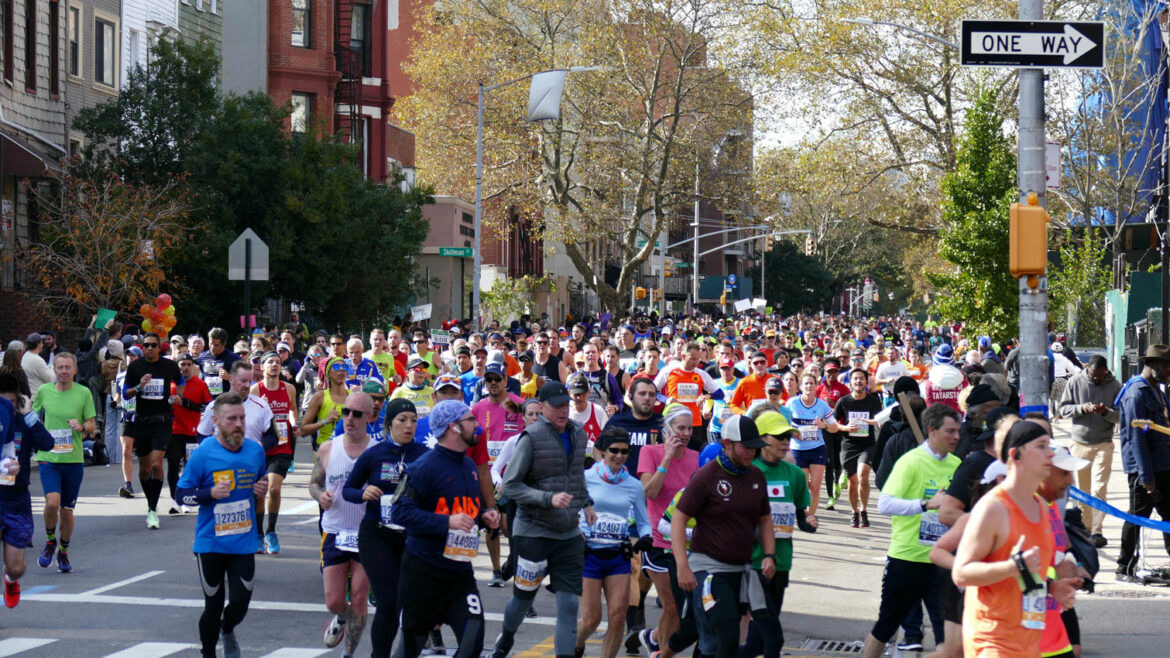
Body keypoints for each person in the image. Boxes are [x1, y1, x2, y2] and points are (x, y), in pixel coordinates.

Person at [952, 420, 1078, 657]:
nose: (1050, 453)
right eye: (1041, 446)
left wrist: (1052, 588)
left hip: (1030, 643)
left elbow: (1026, 574)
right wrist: (1011, 566)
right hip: (993, 642)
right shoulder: (992, 508)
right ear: (1015, 455)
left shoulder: (1042, 507)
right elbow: (961, 573)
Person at [492, 381, 597, 658]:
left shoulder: (578, 434)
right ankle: (506, 639)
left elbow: (576, 477)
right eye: (557, 405)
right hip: (533, 533)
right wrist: (546, 498)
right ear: (543, 407)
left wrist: (586, 503)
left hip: (568, 535)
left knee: (569, 606)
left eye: (566, 404)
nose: (564, 410)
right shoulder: (531, 437)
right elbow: (510, 486)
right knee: (522, 600)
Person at [392, 399, 501, 658]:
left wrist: (485, 516)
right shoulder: (423, 468)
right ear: (453, 427)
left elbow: (465, 511)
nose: (477, 426)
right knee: (411, 646)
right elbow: (399, 511)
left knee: (473, 643)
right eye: (470, 420)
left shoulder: (467, 465)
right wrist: (447, 522)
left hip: (460, 575)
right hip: (423, 572)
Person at [861, 404, 962, 658]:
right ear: (932, 431)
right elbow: (884, 504)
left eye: (957, 431)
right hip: (906, 559)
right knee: (885, 627)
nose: (956, 437)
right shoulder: (911, 462)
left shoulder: (956, 464)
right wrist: (925, 504)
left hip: (940, 562)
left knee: (948, 635)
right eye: (950, 431)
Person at [175, 392, 269, 658]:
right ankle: (208, 653)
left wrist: (260, 489)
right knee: (213, 605)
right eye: (231, 419)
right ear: (215, 421)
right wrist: (209, 494)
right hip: (211, 543)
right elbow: (181, 495)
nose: (238, 424)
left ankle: (228, 629)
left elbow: (257, 483)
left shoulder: (255, 450)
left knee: (240, 603)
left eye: (241, 418)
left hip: (244, 541)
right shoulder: (203, 454)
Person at [672, 415, 774, 658]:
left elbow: (765, 519)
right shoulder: (707, 476)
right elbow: (678, 519)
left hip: (741, 569)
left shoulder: (756, 477)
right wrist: (682, 565)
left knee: (716, 641)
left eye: (755, 447)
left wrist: (769, 555)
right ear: (727, 444)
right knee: (726, 631)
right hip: (708, 569)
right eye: (746, 446)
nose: (752, 452)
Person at [342, 398, 428, 658]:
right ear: (389, 423)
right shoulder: (374, 454)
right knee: (388, 601)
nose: (409, 426)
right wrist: (364, 492)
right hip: (376, 534)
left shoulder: (424, 456)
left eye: (413, 420)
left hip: (411, 537)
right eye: (402, 420)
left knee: (410, 604)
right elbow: (348, 490)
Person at [739, 409, 817, 658]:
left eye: (788, 436)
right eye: (779, 436)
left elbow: (801, 516)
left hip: (781, 562)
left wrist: (809, 522)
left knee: (756, 644)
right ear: (762, 439)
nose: (785, 441)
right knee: (774, 638)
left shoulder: (793, 474)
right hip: (752, 564)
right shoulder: (748, 473)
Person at [575, 428, 653, 658]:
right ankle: (577, 644)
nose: (619, 456)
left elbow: (643, 521)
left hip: (618, 555)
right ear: (602, 451)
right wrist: (574, 531)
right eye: (614, 451)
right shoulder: (586, 478)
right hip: (588, 555)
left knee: (618, 617)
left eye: (624, 452)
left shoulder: (633, 485)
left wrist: (646, 536)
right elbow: (569, 510)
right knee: (591, 620)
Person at [629, 403, 699, 655]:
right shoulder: (650, 452)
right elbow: (650, 492)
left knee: (680, 610)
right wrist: (667, 458)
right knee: (671, 606)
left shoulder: (695, 458)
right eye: (680, 427)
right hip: (657, 541)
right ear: (667, 428)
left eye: (689, 428)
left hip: (686, 541)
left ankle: (654, 637)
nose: (685, 433)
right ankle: (660, 651)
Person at [311, 391, 374, 658]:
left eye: (357, 414)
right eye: (346, 412)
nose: (349, 418)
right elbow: (313, 483)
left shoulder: (377, 453)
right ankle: (342, 617)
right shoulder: (328, 448)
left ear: (369, 418)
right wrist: (320, 495)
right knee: (334, 600)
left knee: (359, 598)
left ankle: (348, 653)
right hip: (335, 531)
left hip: (366, 534)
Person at [33, 353, 97, 573]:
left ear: (75, 370)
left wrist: (81, 427)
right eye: (59, 367)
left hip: (73, 459)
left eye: (67, 367)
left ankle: (63, 551)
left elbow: (92, 425)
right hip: (48, 457)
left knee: (67, 511)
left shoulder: (83, 393)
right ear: (54, 370)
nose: (63, 371)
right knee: (52, 503)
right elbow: (32, 418)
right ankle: (50, 541)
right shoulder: (44, 392)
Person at [1115, 344, 1170, 582]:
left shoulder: (1157, 390)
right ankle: (1123, 567)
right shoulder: (1136, 392)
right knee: (1137, 517)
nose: (1169, 371)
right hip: (1145, 470)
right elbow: (1136, 438)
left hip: (1163, 465)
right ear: (1153, 365)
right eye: (1166, 367)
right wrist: (1147, 478)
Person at [0, 373, 55, 607]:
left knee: (16, 567)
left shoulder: (25, 422)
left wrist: (30, 415)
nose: (5, 407)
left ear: (19, 401)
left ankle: (11, 579)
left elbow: (48, 444)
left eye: (10, 401)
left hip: (16, 500)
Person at [123, 333, 186, 529]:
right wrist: (139, 387)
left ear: (160, 348)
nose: (149, 348)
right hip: (141, 422)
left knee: (157, 464)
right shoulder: (135, 367)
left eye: (153, 345)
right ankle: (151, 506)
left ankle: (152, 508)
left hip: (162, 421)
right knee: (144, 468)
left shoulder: (169, 366)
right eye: (146, 345)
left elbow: (181, 381)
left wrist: (178, 396)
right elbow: (125, 392)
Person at [1058, 354, 1120, 548]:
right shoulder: (1075, 381)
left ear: (1106, 372)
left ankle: (1097, 530)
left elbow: (1120, 416)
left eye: (1100, 376)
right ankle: (1085, 529)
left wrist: (1105, 413)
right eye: (1094, 376)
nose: (1097, 379)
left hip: (1104, 442)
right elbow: (1064, 409)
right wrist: (1082, 408)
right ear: (1088, 370)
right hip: (1080, 443)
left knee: (1098, 488)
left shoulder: (1115, 386)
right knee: (1083, 491)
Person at [252, 352, 299, 554]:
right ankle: (258, 534)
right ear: (262, 367)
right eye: (270, 362)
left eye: (278, 362)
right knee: (259, 493)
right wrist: (261, 407)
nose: (274, 365)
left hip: (282, 447)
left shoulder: (289, 388)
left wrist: (294, 422)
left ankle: (271, 530)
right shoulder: (255, 390)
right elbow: (249, 419)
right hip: (261, 447)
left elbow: (293, 409)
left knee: (275, 489)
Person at [833, 368, 883, 527]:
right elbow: (833, 423)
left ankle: (864, 510)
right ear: (850, 382)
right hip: (848, 446)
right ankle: (854, 512)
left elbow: (880, 422)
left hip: (867, 445)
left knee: (863, 476)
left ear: (866, 381)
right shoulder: (844, 401)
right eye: (855, 379)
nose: (858, 381)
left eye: (861, 378)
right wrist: (845, 428)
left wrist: (874, 423)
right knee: (852, 482)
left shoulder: (874, 401)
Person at [786, 372, 839, 515]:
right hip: (797, 450)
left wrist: (824, 426)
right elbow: (783, 425)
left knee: (815, 487)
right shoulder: (792, 403)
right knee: (802, 485)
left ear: (816, 386)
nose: (809, 386)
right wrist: (792, 433)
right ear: (800, 386)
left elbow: (835, 427)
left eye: (812, 383)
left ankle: (810, 517)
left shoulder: (822, 405)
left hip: (817, 449)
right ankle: (802, 508)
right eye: (806, 383)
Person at [655, 343, 724, 448]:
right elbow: (652, 391)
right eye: (692, 359)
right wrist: (665, 399)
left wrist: (707, 396)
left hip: (694, 423)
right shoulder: (669, 371)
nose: (696, 362)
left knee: (694, 456)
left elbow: (720, 394)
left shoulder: (701, 374)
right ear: (683, 356)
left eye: (698, 359)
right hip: (673, 422)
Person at [169, 353, 211, 514]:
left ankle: (188, 500)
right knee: (173, 465)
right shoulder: (170, 383)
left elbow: (207, 407)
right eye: (182, 365)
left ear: (193, 366)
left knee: (190, 468)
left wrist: (186, 403)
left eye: (188, 364)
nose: (185, 368)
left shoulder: (200, 384)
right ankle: (175, 500)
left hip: (193, 432)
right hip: (174, 431)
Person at [302, 358, 350, 449]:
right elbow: (303, 430)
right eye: (336, 367)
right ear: (328, 374)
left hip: (348, 450)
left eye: (344, 366)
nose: (341, 369)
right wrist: (325, 421)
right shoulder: (320, 397)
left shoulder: (354, 397)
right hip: (326, 449)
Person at [197, 328, 241, 400]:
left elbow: (243, 381)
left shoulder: (234, 359)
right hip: (207, 402)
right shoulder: (202, 357)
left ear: (224, 344)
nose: (212, 348)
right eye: (211, 344)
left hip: (226, 401)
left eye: (216, 345)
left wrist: (229, 377)